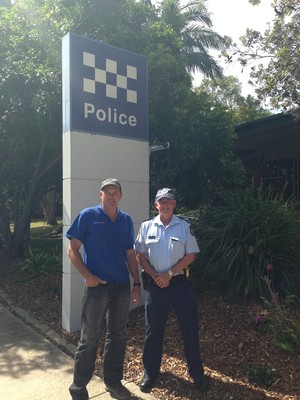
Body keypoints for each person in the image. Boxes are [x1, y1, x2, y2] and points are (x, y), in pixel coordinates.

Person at [66, 178, 141, 400]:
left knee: (117, 336)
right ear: (100, 195)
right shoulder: (88, 216)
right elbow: (73, 250)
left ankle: (113, 382)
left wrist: (136, 283)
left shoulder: (126, 220)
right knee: (89, 339)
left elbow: (130, 254)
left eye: (115, 192)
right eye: (107, 192)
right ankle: (78, 387)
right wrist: (88, 277)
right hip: (97, 288)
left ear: (120, 195)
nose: (111, 195)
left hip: (121, 287)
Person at [135, 188, 210, 394]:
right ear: (155, 205)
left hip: (179, 285)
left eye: (169, 201)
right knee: (153, 331)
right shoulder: (146, 226)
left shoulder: (184, 226)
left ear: (174, 204)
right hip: (155, 285)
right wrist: (154, 275)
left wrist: (169, 273)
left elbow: (191, 254)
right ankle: (150, 373)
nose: (165, 204)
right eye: (161, 201)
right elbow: (140, 255)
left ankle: (197, 374)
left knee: (189, 330)